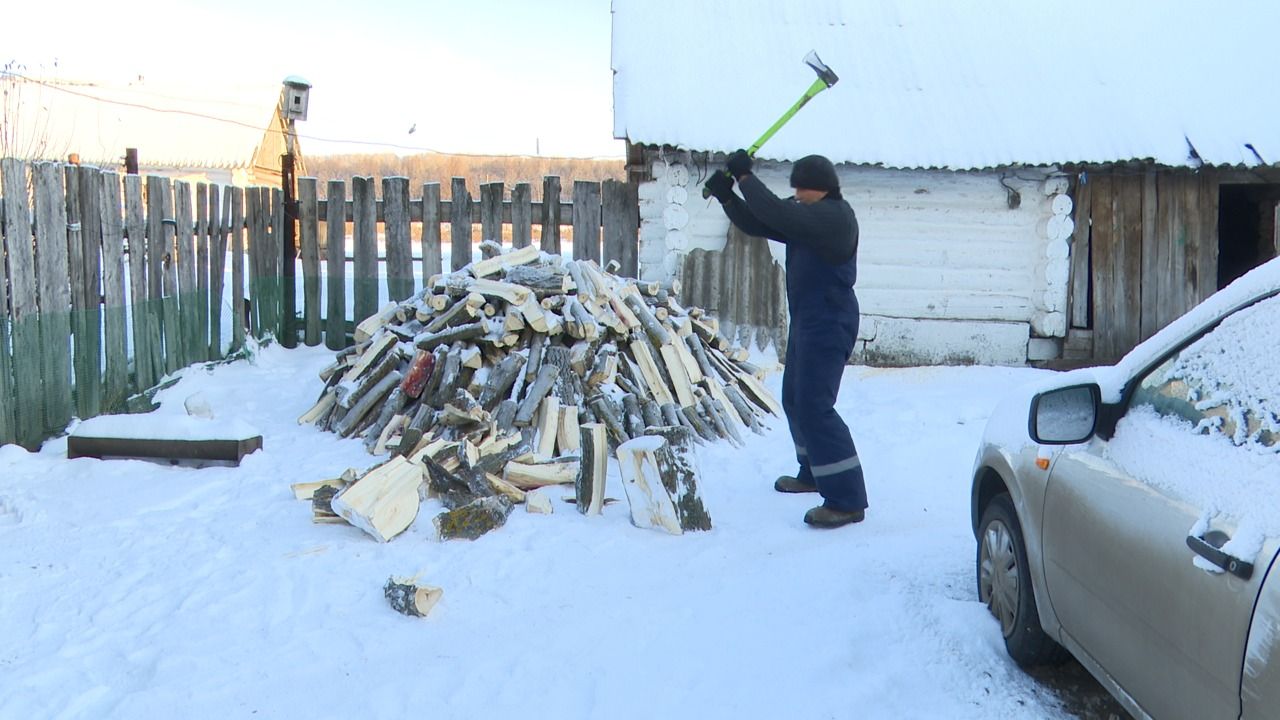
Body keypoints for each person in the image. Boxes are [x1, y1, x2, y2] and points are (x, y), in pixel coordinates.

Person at [703, 150, 867, 528]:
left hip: (830, 320)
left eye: (800, 189)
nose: (795, 196)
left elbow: (777, 212)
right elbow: (763, 221)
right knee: (794, 399)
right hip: (809, 321)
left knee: (815, 406)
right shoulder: (808, 217)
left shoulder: (834, 217)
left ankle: (846, 498)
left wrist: (745, 177)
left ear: (819, 190)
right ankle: (813, 472)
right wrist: (728, 197)